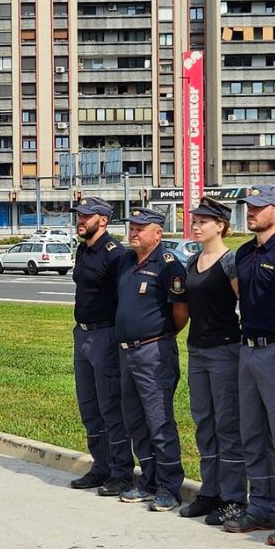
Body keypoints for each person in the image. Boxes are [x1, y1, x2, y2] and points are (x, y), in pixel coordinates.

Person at [221, 184, 275, 539]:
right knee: (252, 434)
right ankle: (261, 507)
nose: (252, 211)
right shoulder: (244, 253)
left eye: (259, 207)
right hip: (248, 350)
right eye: (249, 206)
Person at [113, 209, 189, 512]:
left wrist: (160, 336)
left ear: (158, 234)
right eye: (132, 228)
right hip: (126, 352)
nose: (134, 233)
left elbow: (180, 312)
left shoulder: (168, 266)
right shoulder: (126, 262)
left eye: (141, 229)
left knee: (159, 422)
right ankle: (147, 479)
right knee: (135, 421)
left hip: (154, 352)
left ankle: (169, 486)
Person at [178, 196, 245, 524]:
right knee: (204, 423)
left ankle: (233, 498)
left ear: (220, 225)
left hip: (224, 350)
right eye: (195, 219)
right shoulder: (192, 261)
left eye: (203, 220)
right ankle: (210, 491)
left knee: (227, 426)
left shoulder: (231, 262)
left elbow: (245, 303)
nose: (196, 224)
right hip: (198, 351)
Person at [68, 196, 137, 496]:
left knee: (110, 407)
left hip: (105, 337)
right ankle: (101, 466)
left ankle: (121, 472)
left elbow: (127, 299)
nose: (80, 221)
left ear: (103, 221)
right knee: (89, 407)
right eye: (79, 216)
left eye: (86, 216)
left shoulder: (115, 254)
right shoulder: (83, 249)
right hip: (82, 336)